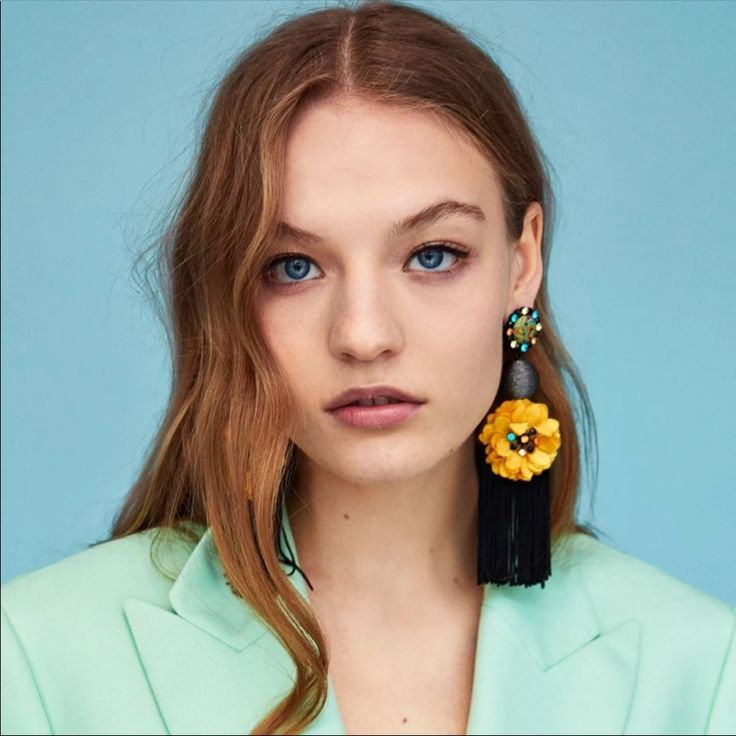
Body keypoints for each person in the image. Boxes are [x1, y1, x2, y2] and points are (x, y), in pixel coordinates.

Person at [2, 1, 734, 734]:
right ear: (229, 290)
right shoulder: (37, 654)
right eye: (294, 267)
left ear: (523, 261)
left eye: (433, 256)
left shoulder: (698, 672)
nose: (363, 334)